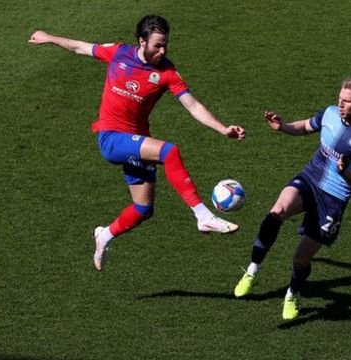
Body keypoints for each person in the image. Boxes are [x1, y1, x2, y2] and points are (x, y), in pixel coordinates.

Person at [28, 15, 246, 272]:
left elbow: (193, 105)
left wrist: (223, 129)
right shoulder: (118, 53)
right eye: (157, 46)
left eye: (165, 45)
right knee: (169, 151)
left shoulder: (167, 72)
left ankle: (104, 235)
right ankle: (203, 216)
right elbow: (80, 47)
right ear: (142, 42)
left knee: (143, 209)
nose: (163, 51)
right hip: (110, 138)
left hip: (136, 142)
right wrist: (49, 38)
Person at [233, 78, 351, 320]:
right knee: (277, 211)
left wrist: (346, 173)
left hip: (334, 198)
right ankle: (252, 271)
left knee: (301, 260)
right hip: (310, 179)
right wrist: (282, 126)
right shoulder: (330, 113)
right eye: (339, 98)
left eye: (347, 101)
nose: (340, 104)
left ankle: (292, 294)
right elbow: (305, 126)